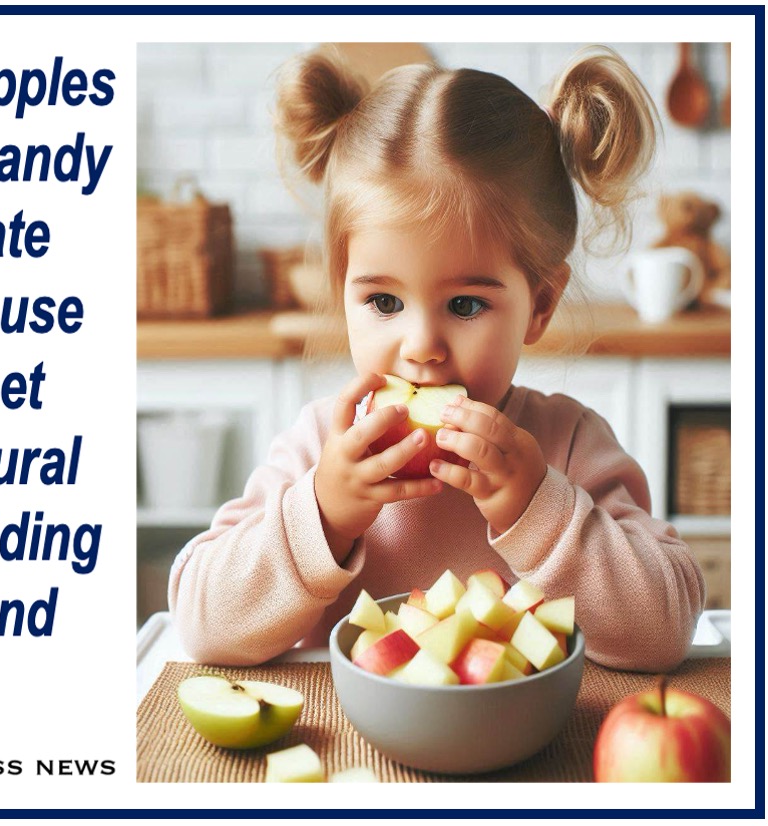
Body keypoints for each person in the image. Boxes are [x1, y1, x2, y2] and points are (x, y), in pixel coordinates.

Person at [169, 47, 702, 672]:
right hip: (355, 747)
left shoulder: (566, 443)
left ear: (539, 304)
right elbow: (202, 625)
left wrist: (540, 510)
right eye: (384, 300)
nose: (421, 346)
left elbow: (664, 630)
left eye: (467, 305)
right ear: (343, 291)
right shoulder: (322, 446)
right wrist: (324, 515)